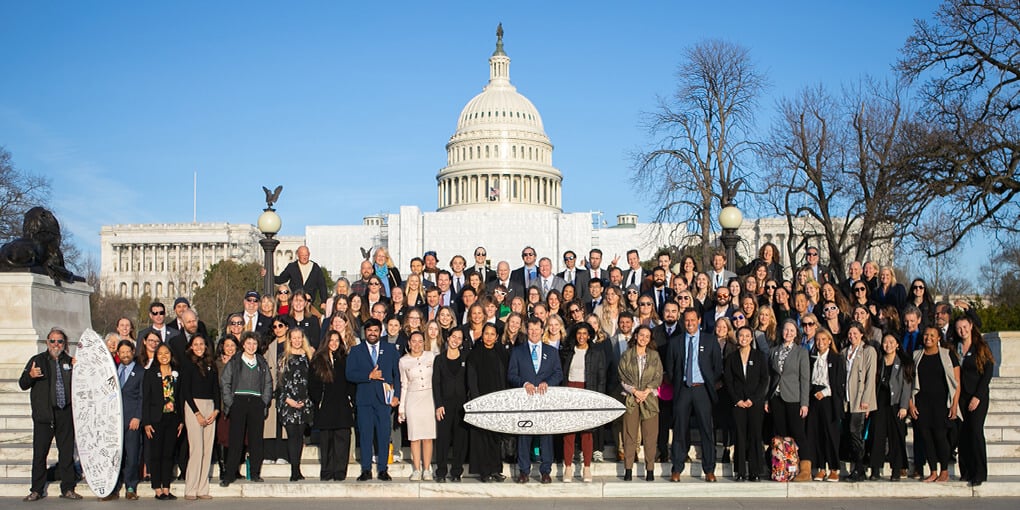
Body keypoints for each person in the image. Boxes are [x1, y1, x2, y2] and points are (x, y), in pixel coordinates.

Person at [20, 327, 80, 502]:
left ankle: (68, 488)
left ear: (64, 344)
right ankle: (36, 490)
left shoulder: (70, 361)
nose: (56, 344)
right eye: (52, 341)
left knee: (66, 453)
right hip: (44, 416)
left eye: (60, 341)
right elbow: (22, 384)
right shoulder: (37, 361)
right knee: (40, 454)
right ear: (47, 342)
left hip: (64, 414)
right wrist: (30, 376)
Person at [665, 307, 723, 482]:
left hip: (702, 389)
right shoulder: (675, 342)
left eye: (693, 320)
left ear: (699, 320)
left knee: (706, 429)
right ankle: (677, 468)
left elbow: (717, 367)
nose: (690, 323)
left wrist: (709, 382)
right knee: (680, 429)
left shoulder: (710, 340)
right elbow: (670, 367)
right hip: (683, 388)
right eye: (687, 320)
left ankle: (709, 469)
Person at [508, 316, 564, 484]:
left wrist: (548, 383)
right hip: (526, 399)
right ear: (527, 330)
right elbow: (511, 374)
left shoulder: (552, 352)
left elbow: (558, 373)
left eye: (536, 329)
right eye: (530, 329)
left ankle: (545, 471)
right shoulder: (518, 351)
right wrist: (523, 383)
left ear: (542, 330)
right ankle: (524, 471)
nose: (533, 332)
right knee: (524, 435)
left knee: (546, 435)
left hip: (544, 400)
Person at [346, 318, 401, 482]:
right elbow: (349, 374)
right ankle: (366, 469)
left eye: (375, 330)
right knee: (365, 435)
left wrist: (397, 395)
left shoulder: (390, 349)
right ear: (365, 332)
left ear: (380, 332)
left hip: (384, 400)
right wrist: (368, 376)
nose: (372, 333)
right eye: (369, 330)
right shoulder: (356, 350)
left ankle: (383, 469)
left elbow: (397, 375)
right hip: (364, 400)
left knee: (384, 435)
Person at [219, 332, 273, 487]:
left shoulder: (261, 362)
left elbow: (268, 383)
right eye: (248, 343)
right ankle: (229, 474)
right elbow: (225, 382)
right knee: (235, 440)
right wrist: (231, 402)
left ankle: (255, 473)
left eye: (254, 344)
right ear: (243, 345)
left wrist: (264, 402)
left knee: (256, 440)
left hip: (256, 402)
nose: (251, 346)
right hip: (239, 402)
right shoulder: (235, 361)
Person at [909, 327, 960, 483]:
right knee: (926, 438)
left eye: (932, 335)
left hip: (941, 403)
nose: (928, 337)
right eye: (926, 334)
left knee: (940, 437)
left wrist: (954, 404)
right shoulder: (916, 356)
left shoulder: (947, 355)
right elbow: (909, 382)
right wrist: (911, 404)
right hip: (922, 404)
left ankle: (944, 471)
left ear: (939, 338)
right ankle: (932, 471)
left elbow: (956, 382)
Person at [559, 322, 606, 483]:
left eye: (585, 333)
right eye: (579, 333)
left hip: (588, 391)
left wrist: (597, 398)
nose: (581, 336)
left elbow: (601, 377)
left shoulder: (596, 353)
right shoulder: (568, 352)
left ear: (589, 335)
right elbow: (563, 375)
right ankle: (568, 467)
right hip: (570, 392)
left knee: (587, 433)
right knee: (569, 432)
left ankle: (586, 467)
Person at [766, 319, 812, 482]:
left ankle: (805, 469)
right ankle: (782, 467)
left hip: (793, 397)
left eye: (792, 330)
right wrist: (767, 399)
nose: (788, 333)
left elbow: (805, 379)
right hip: (776, 396)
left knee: (797, 432)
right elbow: (770, 376)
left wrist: (804, 403)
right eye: (786, 330)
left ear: (796, 333)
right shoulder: (774, 351)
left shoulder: (801, 352)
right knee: (781, 433)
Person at [724, 326, 769, 482]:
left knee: (755, 436)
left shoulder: (759, 356)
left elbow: (764, 379)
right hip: (738, 403)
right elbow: (728, 381)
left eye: (747, 336)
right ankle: (740, 471)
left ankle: (755, 471)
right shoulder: (731, 358)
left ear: (751, 338)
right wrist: (737, 399)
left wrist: (753, 398)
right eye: (741, 335)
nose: (744, 338)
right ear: (737, 338)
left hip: (754, 403)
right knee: (740, 437)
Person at [309, 330, 356, 481]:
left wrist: (350, 399)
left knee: (342, 440)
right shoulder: (318, 360)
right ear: (326, 342)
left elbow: (351, 381)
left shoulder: (346, 358)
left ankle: (340, 472)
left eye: (337, 340)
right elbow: (312, 383)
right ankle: (327, 471)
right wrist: (318, 399)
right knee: (326, 441)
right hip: (325, 406)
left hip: (342, 405)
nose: (334, 343)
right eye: (331, 340)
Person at [618, 325, 663, 482]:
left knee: (650, 435)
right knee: (629, 434)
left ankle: (649, 469)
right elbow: (622, 376)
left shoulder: (654, 356)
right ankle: (628, 469)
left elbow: (658, 377)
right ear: (636, 336)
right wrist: (635, 392)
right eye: (641, 335)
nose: (643, 338)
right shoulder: (626, 355)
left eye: (647, 336)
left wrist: (646, 391)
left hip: (649, 399)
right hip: (631, 398)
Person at [467, 322, 509, 483]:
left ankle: (496, 469)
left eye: (492, 334)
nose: (489, 337)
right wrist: (478, 401)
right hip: (481, 401)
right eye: (486, 333)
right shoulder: (475, 354)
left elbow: (506, 377)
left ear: (497, 337)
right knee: (482, 437)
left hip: (498, 401)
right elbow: (472, 379)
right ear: (481, 335)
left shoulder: (502, 354)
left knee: (495, 438)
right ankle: (484, 471)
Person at [179, 335, 220, 499]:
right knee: (197, 449)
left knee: (207, 449)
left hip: (210, 406)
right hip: (193, 407)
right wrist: (196, 413)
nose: (199, 347)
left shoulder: (211, 364)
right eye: (195, 344)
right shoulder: (188, 365)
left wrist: (216, 410)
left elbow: (216, 389)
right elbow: (186, 391)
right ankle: (191, 488)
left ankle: (203, 488)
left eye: (201, 344)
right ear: (191, 346)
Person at [869, 333, 912, 481]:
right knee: (877, 435)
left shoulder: (903, 363)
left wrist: (904, 406)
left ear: (897, 345)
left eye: (891, 342)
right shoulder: (878, 361)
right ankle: (875, 469)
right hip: (879, 402)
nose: (888, 344)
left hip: (896, 404)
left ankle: (896, 469)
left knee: (896, 437)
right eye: (885, 342)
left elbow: (907, 386)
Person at [956, 316, 994, 486]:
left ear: (971, 326)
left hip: (978, 396)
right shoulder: (955, 347)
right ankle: (966, 470)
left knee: (976, 432)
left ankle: (979, 472)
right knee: (962, 434)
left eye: (965, 327)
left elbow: (987, 372)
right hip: (961, 397)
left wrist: (977, 396)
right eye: (959, 328)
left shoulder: (981, 346)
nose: (962, 331)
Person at [142, 344, 183, 500]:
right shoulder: (151, 373)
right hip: (155, 419)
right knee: (156, 454)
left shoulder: (176, 373)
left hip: (173, 418)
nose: (164, 356)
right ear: (156, 356)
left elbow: (179, 397)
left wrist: (181, 420)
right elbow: (145, 399)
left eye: (166, 353)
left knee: (168, 454)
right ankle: (157, 488)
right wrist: (146, 422)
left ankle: (166, 487)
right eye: (160, 353)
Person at [107, 340, 144, 501]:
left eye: (128, 352)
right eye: (122, 352)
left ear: (133, 352)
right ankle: (113, 487)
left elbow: (143, 397)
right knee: (114, 455)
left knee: (132, 454)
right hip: (113, 421)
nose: (125, 355)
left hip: (132, 421)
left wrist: (138, 416)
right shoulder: (111, 370)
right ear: (118, 354)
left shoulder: (140, 371)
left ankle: (130, 486)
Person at [805, 329, 845, 482]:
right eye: (818, 340)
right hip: (814, 397)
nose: (820, 342)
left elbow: (839, 381)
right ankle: (821, 468)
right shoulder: (812, 358)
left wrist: (825, 392)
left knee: (830, 434)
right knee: (816, 434)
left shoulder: (836, 358)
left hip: (829, 398)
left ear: (829, 341)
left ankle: (834, 468)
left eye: (823, 339)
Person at [398, 331, 437, 481]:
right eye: (413, 341)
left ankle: (427, 468)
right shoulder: (403, 361)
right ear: (409, 343)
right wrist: (402, 408)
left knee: (427, 436)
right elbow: (404, 385)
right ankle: (416, 469)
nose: (417, 344)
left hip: (429, 398)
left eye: (420, 341)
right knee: (414, 436)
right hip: (412, 399)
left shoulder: (431, 356)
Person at [277, 328, 315, 481]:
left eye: (300, 337)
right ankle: (294, 470)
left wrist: (306, 399)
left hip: (304, 402)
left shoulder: (309, 357)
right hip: (289, 403)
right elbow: (280, 383)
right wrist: (288, 400)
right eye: (294, 338)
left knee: (300, 437)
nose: (297, 340)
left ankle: (298, 469)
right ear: (290, 339)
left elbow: (313, 379)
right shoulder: (283, 357)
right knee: (292, 436)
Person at [433, 329, 470, 482]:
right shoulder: (439, 359)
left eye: (459, 338)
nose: (456, 340)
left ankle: (456, 472)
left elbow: (470, 380)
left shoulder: (466, 357)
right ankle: (441, 472)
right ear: (448, 338)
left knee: (460, 439)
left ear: (462, 341)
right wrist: (439, 404)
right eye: (453, 337)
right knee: (443, 439)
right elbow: (436, 382)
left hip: (461, 404)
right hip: (445, 405)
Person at [843, 322, 877, 482]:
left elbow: (870, 377)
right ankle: (857, 467)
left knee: (855, 432)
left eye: (855, 333)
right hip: (847, 398)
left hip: (860, 398)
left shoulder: (868, 351)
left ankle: (860, 467)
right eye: (850, 333)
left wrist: (866, 400)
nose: (852, 336)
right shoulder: (845, 352)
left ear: (862, 334)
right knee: (850, 433)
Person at [272, 245, 329, 310]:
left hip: (308, 304)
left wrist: (324, 301)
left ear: (309, 254)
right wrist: (268, 275)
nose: (304, 257)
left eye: (306, 255)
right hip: (293, 303)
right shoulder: (292, 267)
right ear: (298, 255)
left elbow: (322, 286)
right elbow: (281, 279)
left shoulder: (315, 268)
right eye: (302, 255)